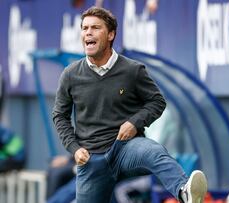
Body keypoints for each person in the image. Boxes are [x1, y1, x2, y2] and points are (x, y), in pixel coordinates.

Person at [52, 6, 207, 203]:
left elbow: (157, 101)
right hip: (91, 159)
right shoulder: (70, 74)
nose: (88, 32)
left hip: (126, 148)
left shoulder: (133, 70)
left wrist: (134, 123)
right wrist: (74, 148)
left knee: (154, 151)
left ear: (110, 34)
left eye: (95, 28)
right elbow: (60, 116)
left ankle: (184, 191)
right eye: (84, 28)